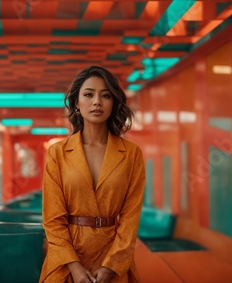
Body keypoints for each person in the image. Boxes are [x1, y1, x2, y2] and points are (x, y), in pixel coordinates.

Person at [39, 66, 146, 283]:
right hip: (67, 261)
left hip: (113, 255)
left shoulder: (131, 153)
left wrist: (111, 266)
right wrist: (75, 267)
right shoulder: (57, 153)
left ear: (114, 102)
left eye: (105, 95)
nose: (97, 101)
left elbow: (130, 217)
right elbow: (52, 219)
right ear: (77, 103)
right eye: (88, 94)